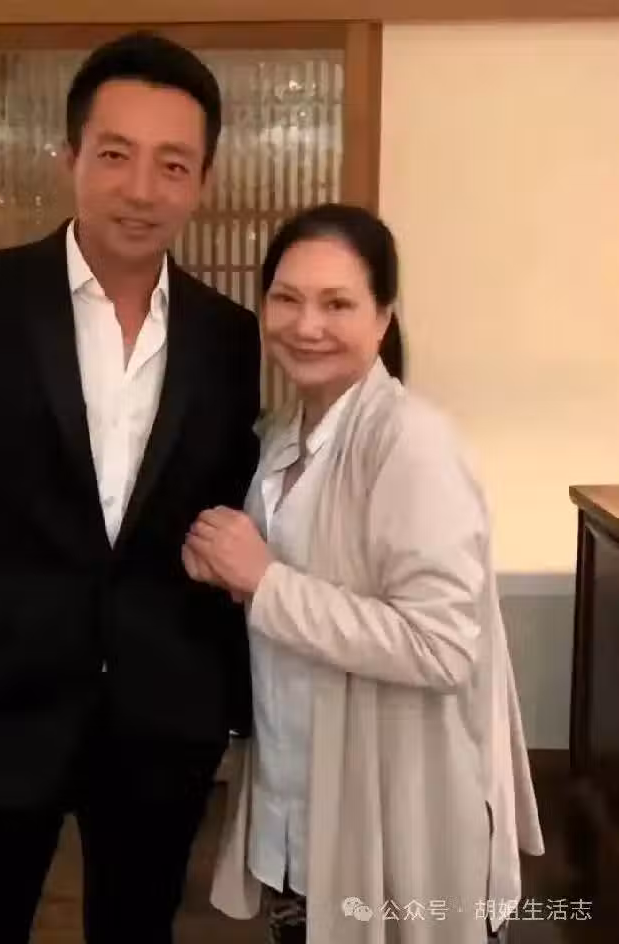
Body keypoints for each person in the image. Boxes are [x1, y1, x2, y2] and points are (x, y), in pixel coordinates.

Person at [0, 31, 261, 944]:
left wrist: (230, 701)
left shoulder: (228, 335)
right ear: (70, 156)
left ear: (202, 180)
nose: (142, 188)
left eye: (173, 164)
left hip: (161, 717)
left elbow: (226, 515)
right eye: (115, 154)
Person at [182, 203, 545, 943]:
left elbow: (442, 646)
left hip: (391, 803)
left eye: (337, 304)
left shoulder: (412, 443)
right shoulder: (280, 436)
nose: (306, 324)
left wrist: (265, 582)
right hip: (297, 798)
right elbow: (292, 587)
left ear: (382, 320)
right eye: (286, 298)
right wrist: (226, 569)